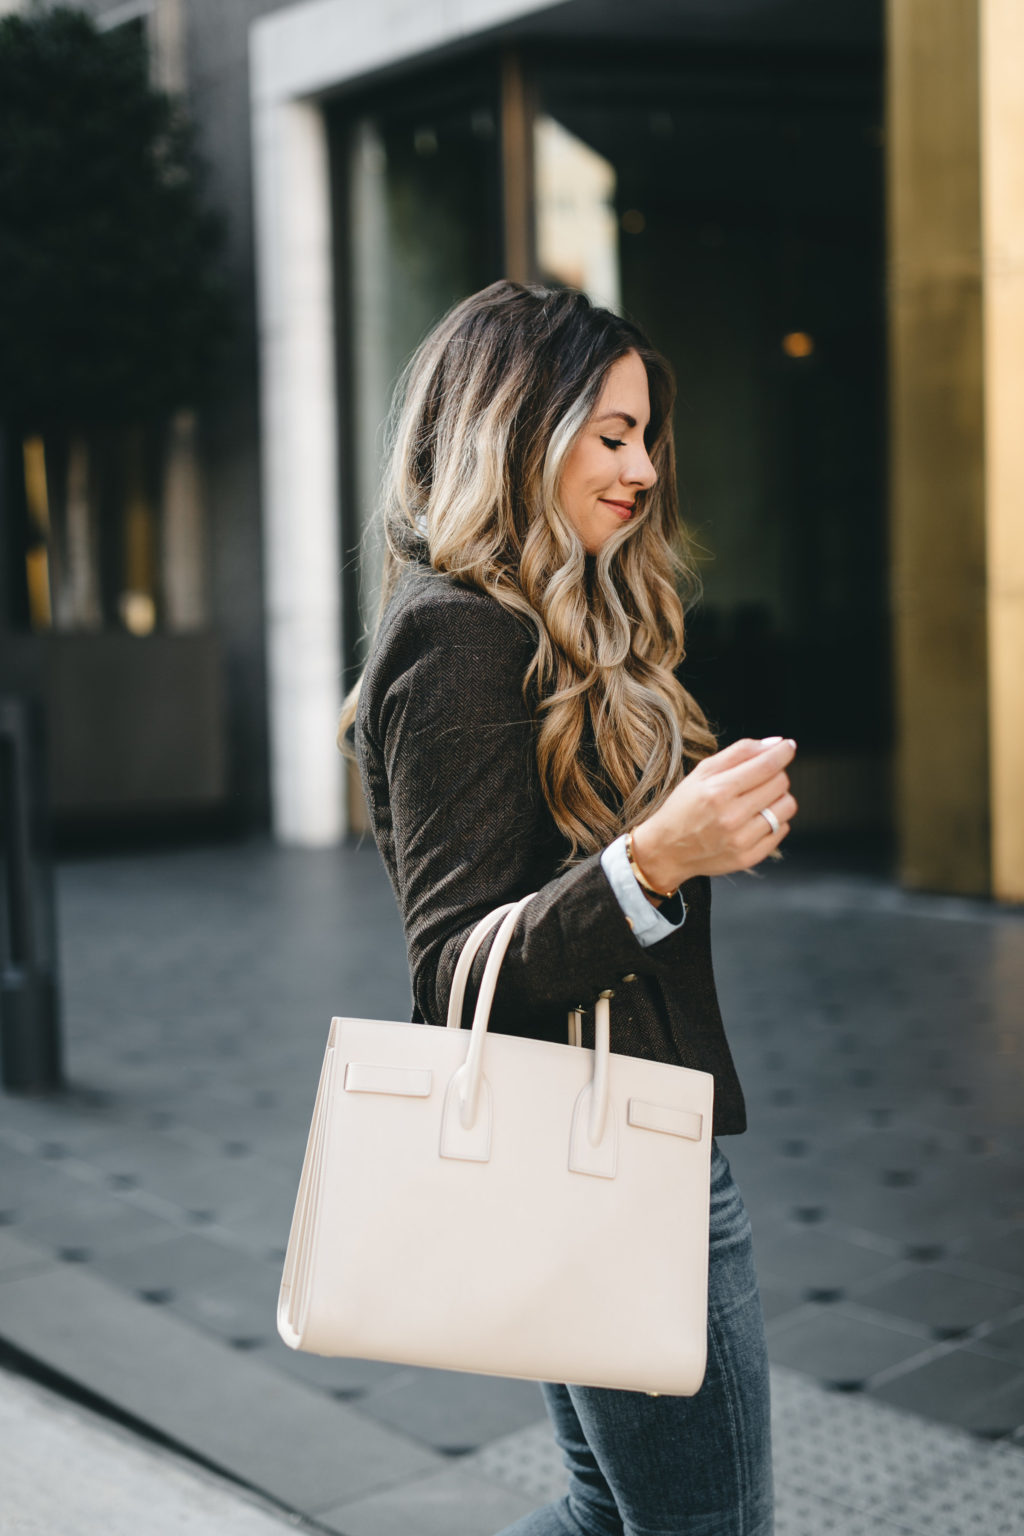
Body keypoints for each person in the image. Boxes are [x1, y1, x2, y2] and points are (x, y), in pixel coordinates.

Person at [342, 280, 797, 1536]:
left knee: (615, 1512)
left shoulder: (551, 617)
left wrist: (689, 844)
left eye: (647, 436)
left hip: (598, 1140)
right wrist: (652, 862)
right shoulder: (459, 637)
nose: (645, 469)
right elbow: (454, 972)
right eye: (611, 434)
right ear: (513, 427)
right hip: (605, 1160)